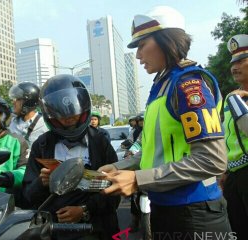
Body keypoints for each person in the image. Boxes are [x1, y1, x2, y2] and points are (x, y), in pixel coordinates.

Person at [99, 6, 231, 238]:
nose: (138, 55)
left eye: (141, 45)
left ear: (165, 40)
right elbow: (154, 151)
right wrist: (120, 168)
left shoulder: (189, 85)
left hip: (195, 213)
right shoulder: (162, 86)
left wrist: (139, 179)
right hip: (166, 206)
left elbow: (212, 159)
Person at [22, 74, 120, 240]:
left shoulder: (99, 142)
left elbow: (115, 190)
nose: (68, 119)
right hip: (54, 231)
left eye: (73, 114)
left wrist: (84, 210)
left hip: (97, 230)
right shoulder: (42, 145)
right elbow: (28, 196)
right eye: (61, 115)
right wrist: (41, 182)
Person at [222, 34, 248, 240]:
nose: (234, 66)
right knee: (237, 227)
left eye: (241, 60)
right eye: (233, 62)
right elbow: (225, 137)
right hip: (234, 174)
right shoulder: (231, 97)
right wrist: (223, 170)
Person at [8, 81, 48, 147]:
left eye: (18, 99)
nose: (13, 102)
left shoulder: (45, 124)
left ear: (28, 101)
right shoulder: (12, 122)